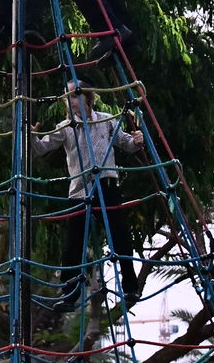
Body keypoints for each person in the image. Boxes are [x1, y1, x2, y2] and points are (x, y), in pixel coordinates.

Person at [32, 80, 144, 310]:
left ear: (88, 98)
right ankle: (70, 293)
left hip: (107, 185)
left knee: (120, 238)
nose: (71, 100)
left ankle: (131, 286)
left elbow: (126, 144)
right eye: (68, 96)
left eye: (75, 95)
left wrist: (137, 140)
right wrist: (31, 135)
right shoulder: (66, 126)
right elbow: (42, 148)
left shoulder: (106, 119)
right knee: (73, 244)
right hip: (80, 191)